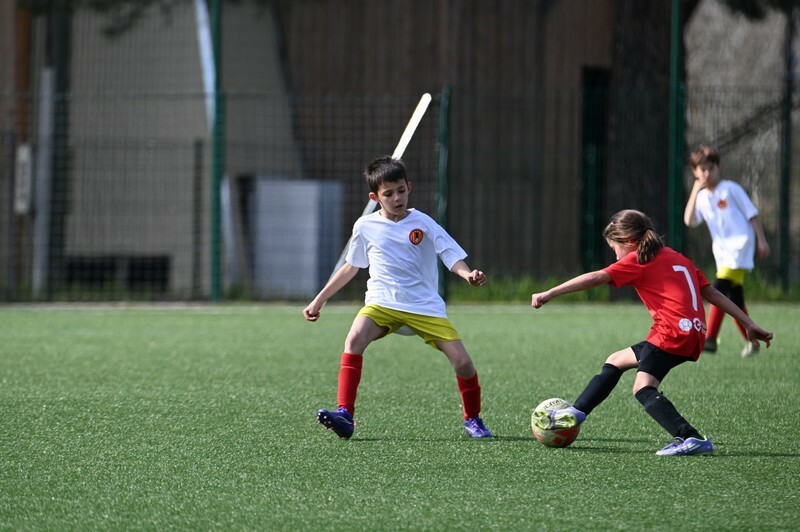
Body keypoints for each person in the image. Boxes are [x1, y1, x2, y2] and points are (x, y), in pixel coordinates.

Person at [530, 210, 773, 456]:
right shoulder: (679, 258)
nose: (616, 256)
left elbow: (596, 277)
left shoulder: (639, 259)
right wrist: (748, 323)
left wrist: (550, 293)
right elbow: (713, 294)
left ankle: (690, 436)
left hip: (672, 333)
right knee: (616, 360)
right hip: (693, 333)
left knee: (643, 387)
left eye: (615, 248)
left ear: (628, 241)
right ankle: (577, 412)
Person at [303, 156, 493, 439]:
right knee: (354, 339)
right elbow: (351, 267)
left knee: (463, 363)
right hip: (382, 303)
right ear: (375, 197)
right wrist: (319, 300)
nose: (397, 198)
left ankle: (473, 419)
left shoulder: (423, 222)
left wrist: (467, 275)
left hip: (424, 307)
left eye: (401, 191)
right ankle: (345, 414)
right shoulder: (365, 226)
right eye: (388, 194)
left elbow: (450, 254)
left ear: (409, 187)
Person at [684, 144, 771, 357]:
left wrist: (762, 240)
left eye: (710, 168)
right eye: (702, 169)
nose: (706, 173)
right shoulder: (702, 197)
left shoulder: (730, 188)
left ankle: (710, 338)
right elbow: (689, 220)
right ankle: (752, 340)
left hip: (740, 246)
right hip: (722, 254)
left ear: (718, 167)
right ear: (695, 172)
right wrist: (695, 190)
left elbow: (752, 214)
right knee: (734, 299)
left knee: (718, 289)